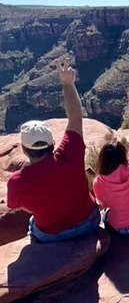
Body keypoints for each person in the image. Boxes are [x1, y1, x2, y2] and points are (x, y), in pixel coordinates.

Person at [7, 58, 99, 242]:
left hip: (52, 235)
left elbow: (19, 205)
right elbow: (76, 118)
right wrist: (67, 84)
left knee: (32, 223)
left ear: (24, 150)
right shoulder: (69, 153)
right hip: (90, 222)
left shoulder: (17, 182)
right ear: (52, 144)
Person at [92, 91, 129, 234]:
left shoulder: (99, 182)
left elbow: (102, 204)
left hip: (122, 229)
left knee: (103, 215)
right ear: (123, 155)